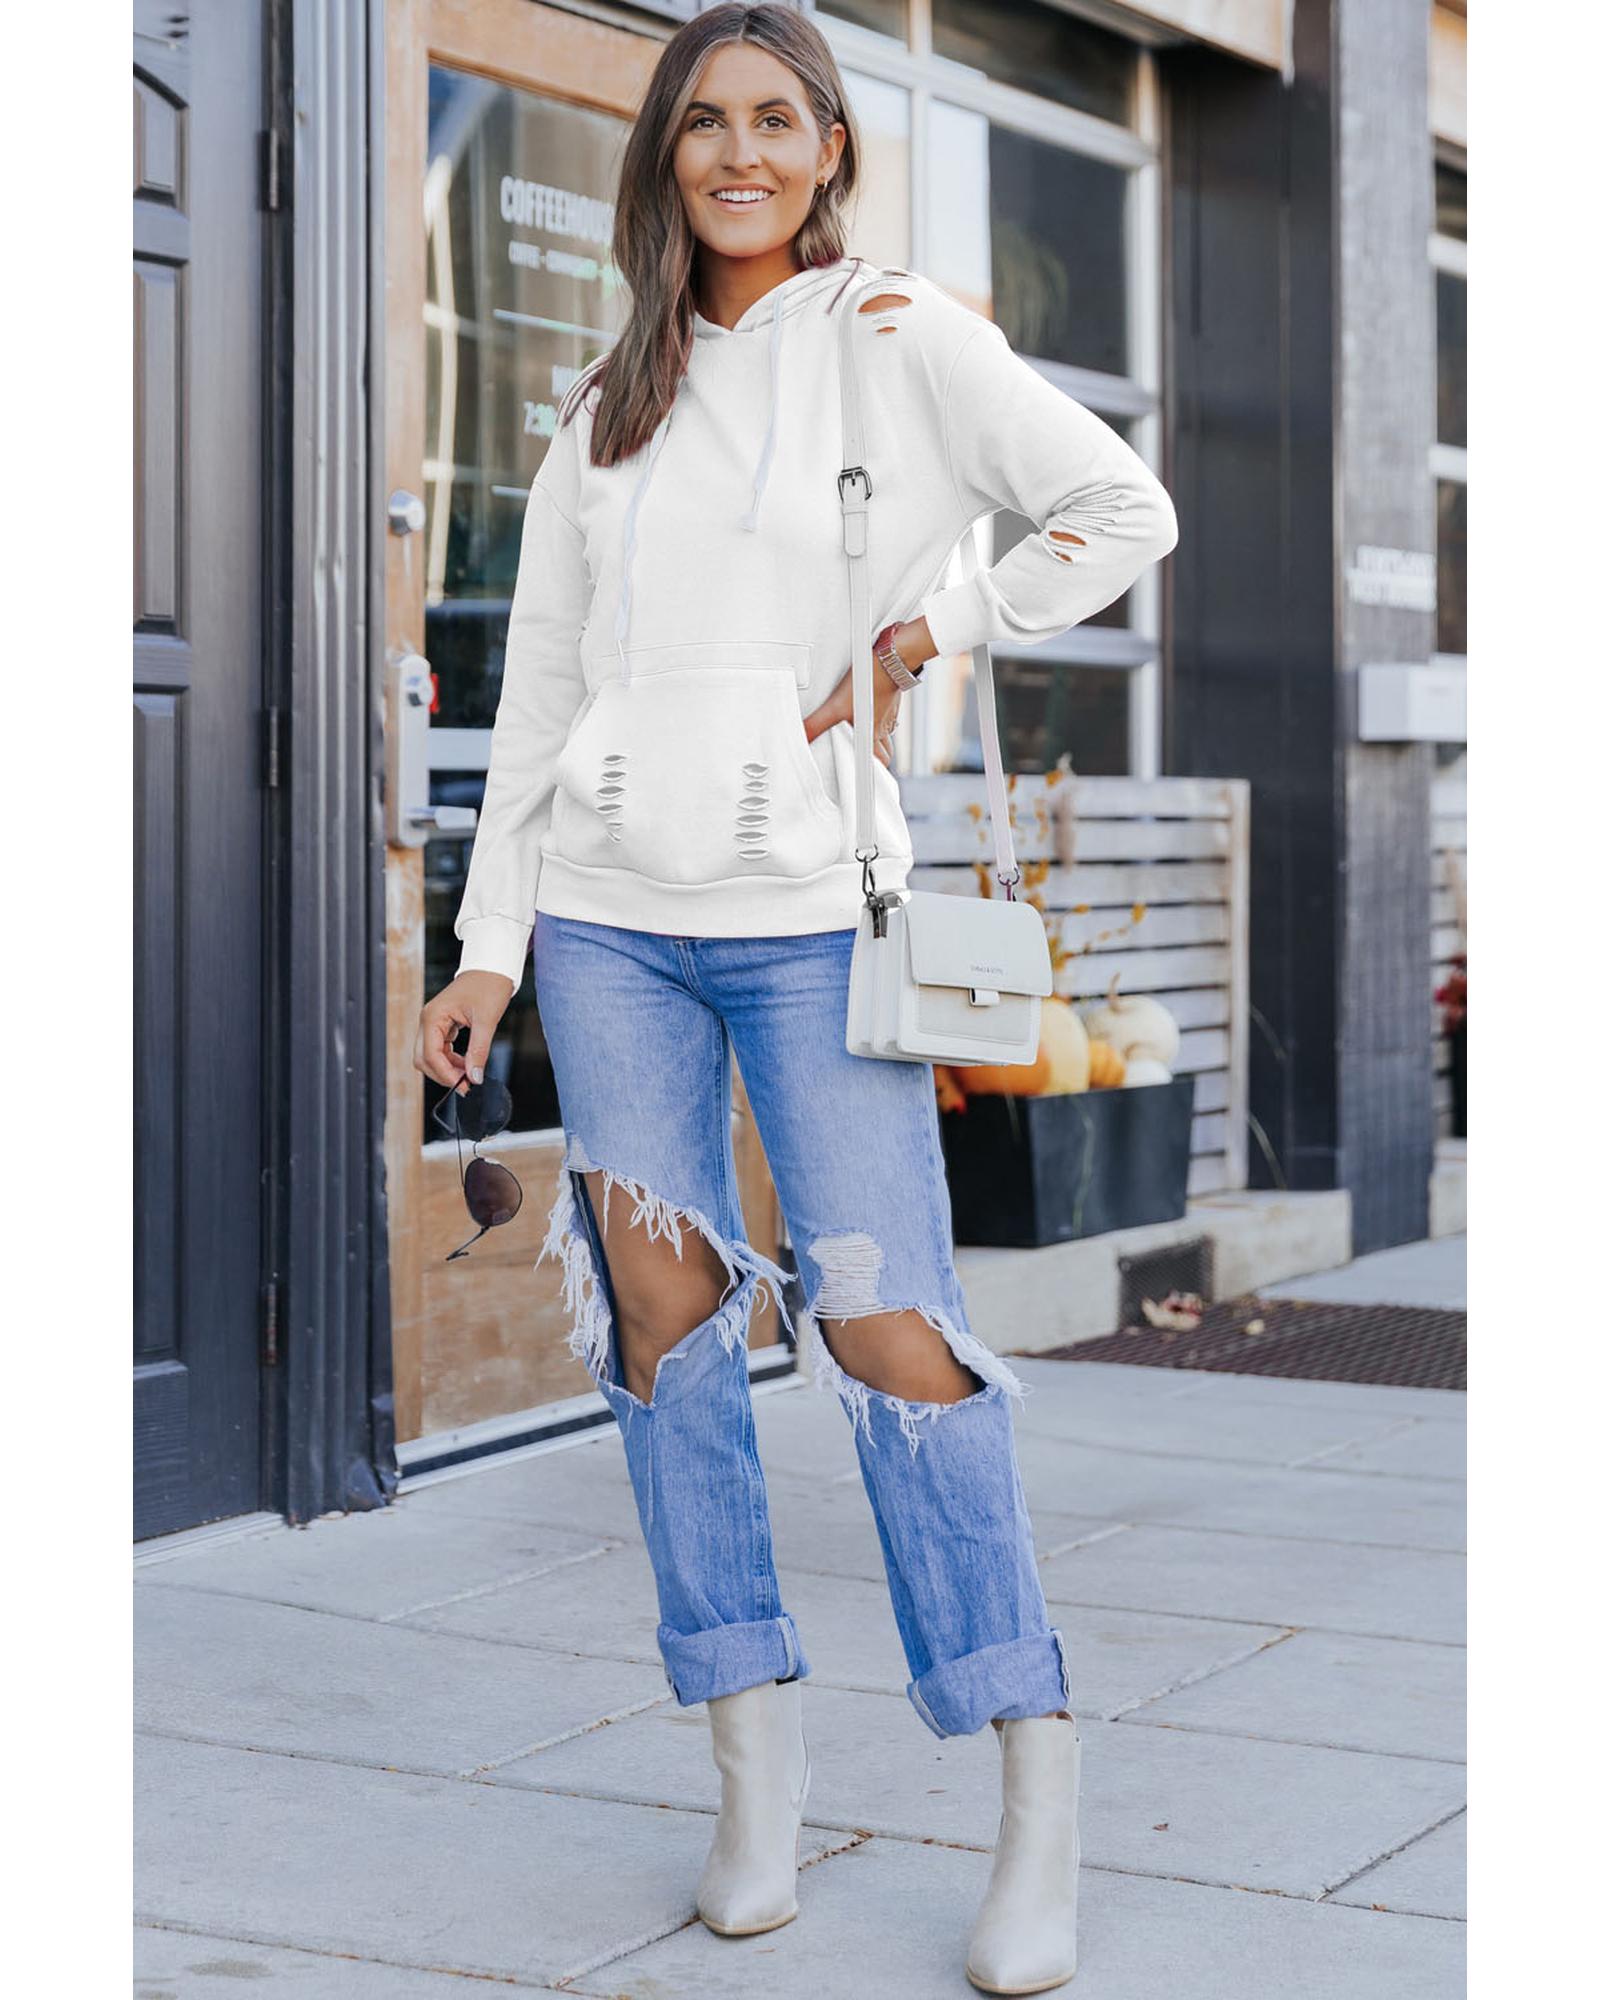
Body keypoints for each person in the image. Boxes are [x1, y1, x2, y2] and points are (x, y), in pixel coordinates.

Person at [414, 5, 1178, 1990]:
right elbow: (543, 692)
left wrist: (935, 624)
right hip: (608, 927)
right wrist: (491, 943)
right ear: (664, 154)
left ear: (829, 147)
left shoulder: (896, 337)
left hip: (816, 921)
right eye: (703, 122)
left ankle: (1031, 1776)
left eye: (775, 119)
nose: (737, 152)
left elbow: (1121, 511)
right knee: (662, 1328)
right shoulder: (607, 401)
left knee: (885, 1325)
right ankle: (750, 1767)